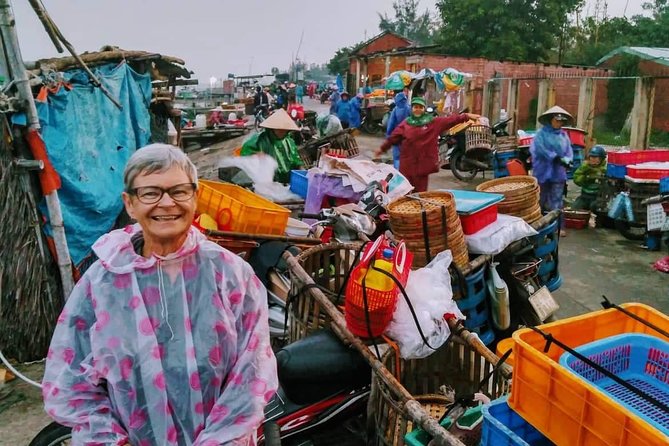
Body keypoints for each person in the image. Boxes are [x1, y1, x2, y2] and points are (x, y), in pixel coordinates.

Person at [42, 144, 278, 446]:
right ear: (129, 204)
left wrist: (218, 441)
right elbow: (70, 374)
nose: (167, 203)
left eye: (179, 191)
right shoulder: (102, 281)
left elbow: (252, 371)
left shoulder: (231, 275)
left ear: (195, 197)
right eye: (150, 193)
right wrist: (110, 439)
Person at [376, 97, 479, 192]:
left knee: (420, 195)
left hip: (423, 167)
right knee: (406, 194)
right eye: (415, 107)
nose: (418, 109)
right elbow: (393, 138)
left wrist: (466, 116)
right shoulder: (406, 124)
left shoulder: (433, 122)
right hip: (408, 166)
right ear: (412, 109)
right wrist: (382, 149)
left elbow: (450, 120)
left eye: (420, 107)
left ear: (424, 109)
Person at [530, 105, 574, 236]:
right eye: (556, 120)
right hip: (542, 171)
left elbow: (569, 151)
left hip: (558, 172)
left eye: (561, 121)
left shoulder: (564, 136)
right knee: (540, 199)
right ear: (550, 120)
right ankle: (536, 224)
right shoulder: (540, 135)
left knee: (557, 200)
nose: (559, 123)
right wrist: (553, 156)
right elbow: (539, 149)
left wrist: (567, 160)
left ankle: (557, 226)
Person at [241, 108, 303, 183]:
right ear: (272, 128)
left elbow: (296, 160)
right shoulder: (260, 140)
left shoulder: (288, 141)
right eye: (279, 130)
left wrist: (302, 172)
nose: (282, 132)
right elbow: (246, 153)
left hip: (288, 181)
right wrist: (255, 156)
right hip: (267, 183)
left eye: (285, 130)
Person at [573, 145, 607, 211]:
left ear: (601, 159)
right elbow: (576, 179)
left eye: (596, 157)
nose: (593, 159)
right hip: (584, 196)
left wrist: (601, 178)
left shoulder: (604, 169)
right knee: (575, 208)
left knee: (595, 208)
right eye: (592, 157)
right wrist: (586, 177)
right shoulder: (585, 167)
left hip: (597, 197)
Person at [385, 91, 411, 169]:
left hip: (397, 135)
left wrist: (388, 135)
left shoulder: (395, 110)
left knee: (397, 157)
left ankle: (398, 172)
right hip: (408, 136)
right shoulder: (409, 108)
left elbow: (390, 124)